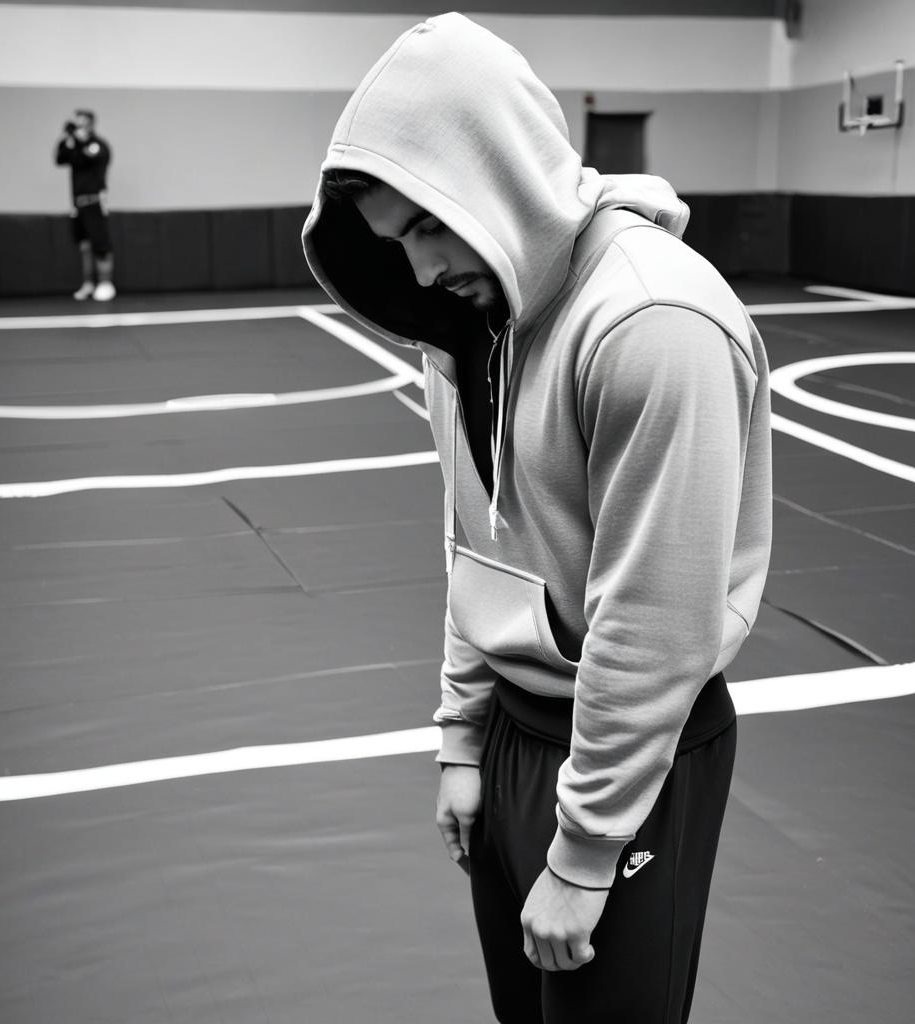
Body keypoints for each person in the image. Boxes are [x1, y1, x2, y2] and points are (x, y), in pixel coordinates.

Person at [303, 13, 772, 1023]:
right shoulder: (464, 324)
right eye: (397, 240)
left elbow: (655, 620)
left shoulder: (655, 323)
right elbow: (477, 543)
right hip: (517, 731)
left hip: (627, 752)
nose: (420, 271)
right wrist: (462, 742)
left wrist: (588, 843)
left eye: (428, 226)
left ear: (497, 173)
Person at [54, 109, 116, 301]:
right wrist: (67, 138)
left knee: (100, 246)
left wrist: (80, 141)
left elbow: (91, 156)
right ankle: (88, 284)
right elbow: (61, 158)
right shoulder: (75, 146)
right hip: (77, 203)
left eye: (83, 122)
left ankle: (106, 283)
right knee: (84, 246)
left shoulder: (98, 145)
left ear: (91, 124)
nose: (80, 125)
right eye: (77, 122)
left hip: (94, 201)